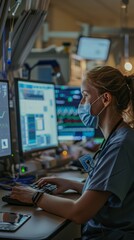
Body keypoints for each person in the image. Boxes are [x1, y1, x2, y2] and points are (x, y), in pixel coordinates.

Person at [11, 66, 134, 240]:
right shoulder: (118, 137)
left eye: (85, 96)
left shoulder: (120, 145)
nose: (81, 104)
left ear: (105, 99)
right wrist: (71, 184)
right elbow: (105, 193)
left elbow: (79, 213)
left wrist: (35, 196)